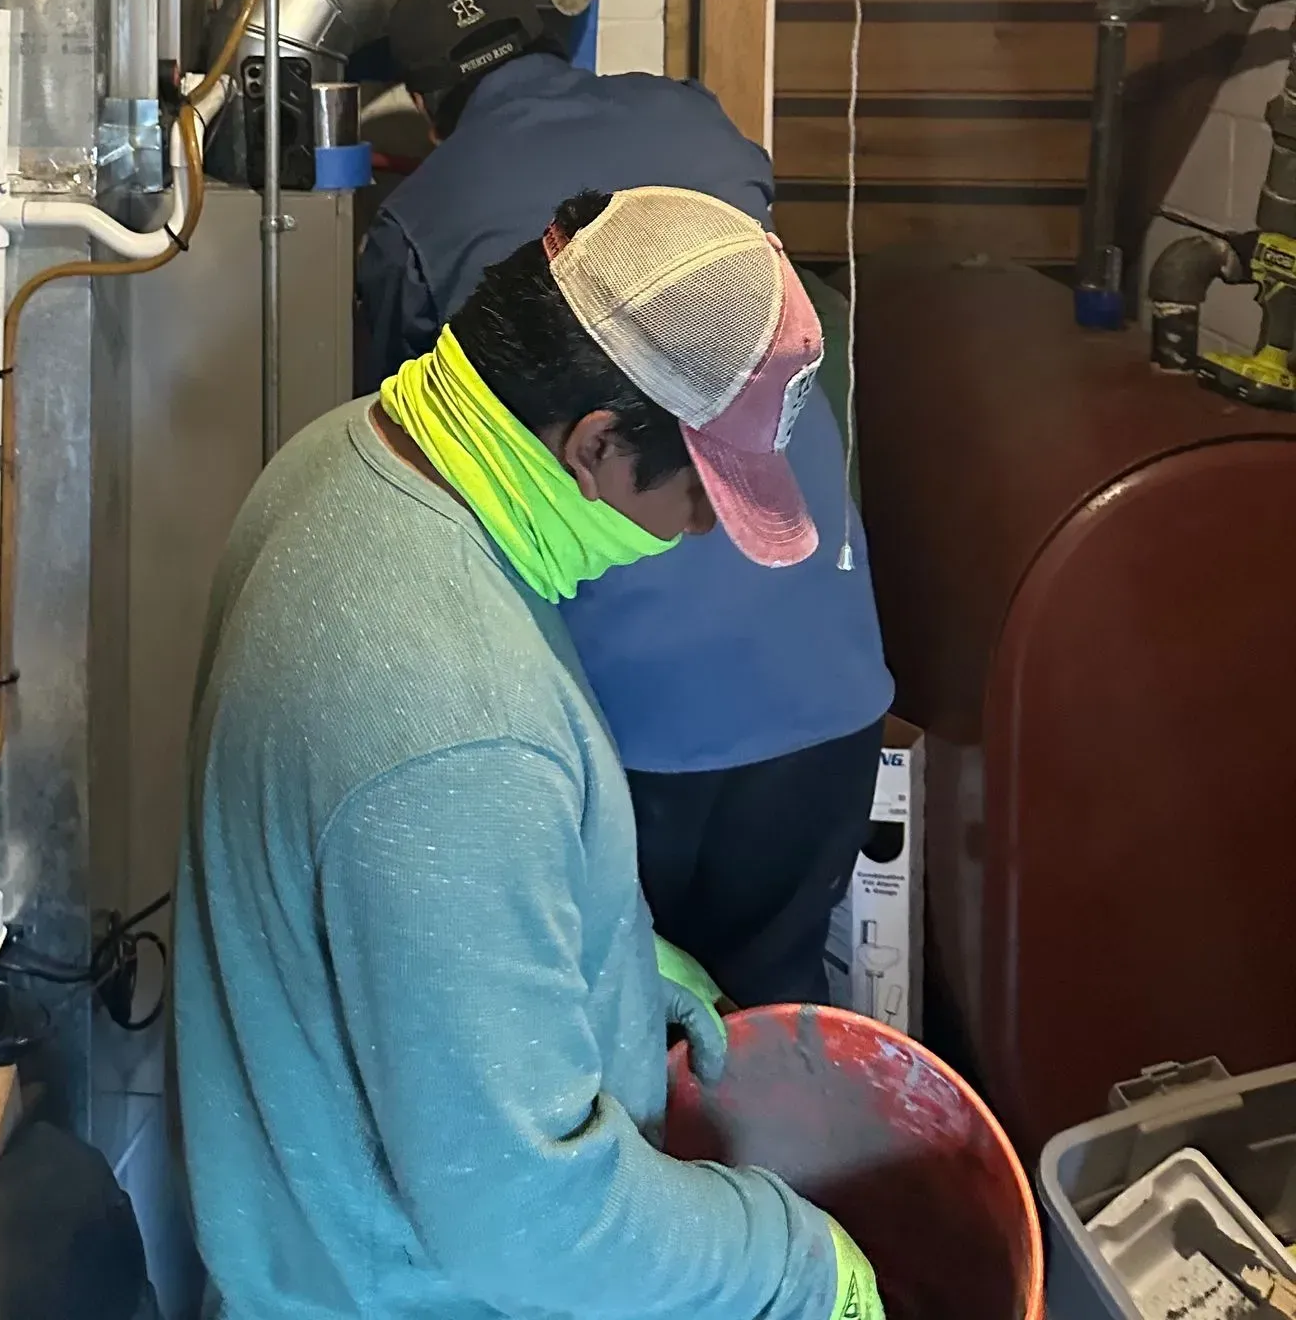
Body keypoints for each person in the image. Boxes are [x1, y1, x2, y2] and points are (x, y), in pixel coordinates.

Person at [173, 184, 884, 1320]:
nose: (698, 531)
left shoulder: (345, 461)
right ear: (596, 440)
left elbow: (371, 891)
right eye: (699, 495)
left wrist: (599, 947)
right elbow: (535, 1224)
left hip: (305, 1243)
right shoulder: (460, 722)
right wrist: (794, 1260)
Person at [356, 0, 892, 1007]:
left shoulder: (419, 217)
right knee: (775, 1018)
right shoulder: (690, 116)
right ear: (555, 36)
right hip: (826, 680)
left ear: (424, 104)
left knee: (612, 1019)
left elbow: (405, 446)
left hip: (628, 720)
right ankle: (767, 1173)